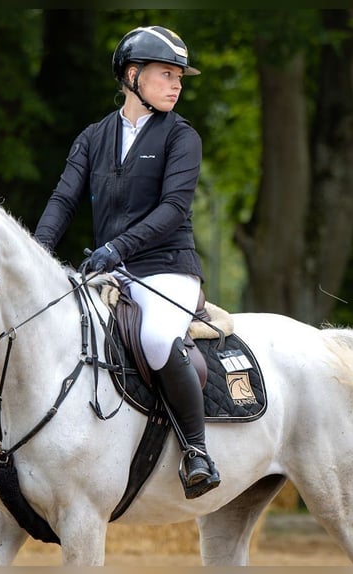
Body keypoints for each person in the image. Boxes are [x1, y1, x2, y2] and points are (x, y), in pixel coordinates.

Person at [34, 25, 219, 499]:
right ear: (132, 76)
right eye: (165, 75)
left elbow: (173, 209)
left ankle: (197, 451)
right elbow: (62, 200)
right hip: (109, 270)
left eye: (180, 76)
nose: (177, 84)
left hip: (167, 268)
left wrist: (118, 248)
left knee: (157, 337)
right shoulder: (93, 137)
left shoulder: (182, 137)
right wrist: (35, 256)